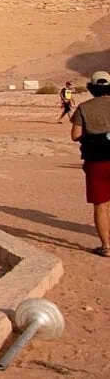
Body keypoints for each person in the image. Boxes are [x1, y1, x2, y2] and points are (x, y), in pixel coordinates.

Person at [70, 71, 110, 257]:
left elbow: (75, 135)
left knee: (101, 205)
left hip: (96, 161)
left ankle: (107, 247)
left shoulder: (84, 108)